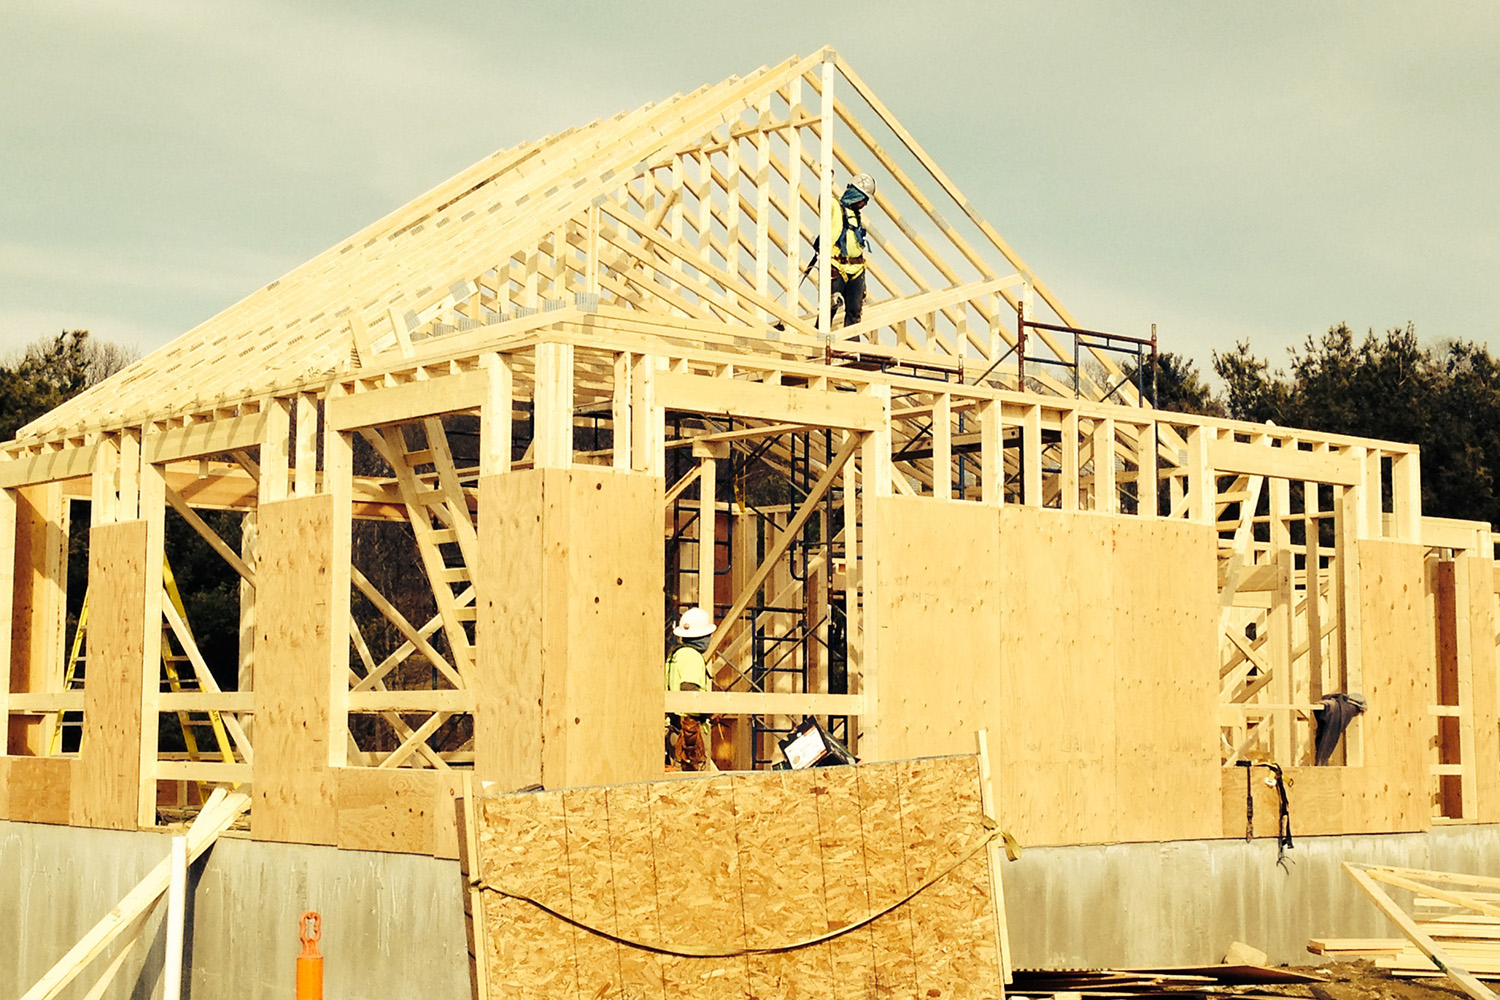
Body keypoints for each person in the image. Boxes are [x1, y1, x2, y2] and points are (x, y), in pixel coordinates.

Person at [809, 173, 876, 328]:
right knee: (830, 306)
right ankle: (819, 340)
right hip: (837, 266)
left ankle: (851, 350)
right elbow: (824, 201)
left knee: (854, 313)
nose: (865, 203)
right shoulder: (835, 207)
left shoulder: (856, 216)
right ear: (855, 194)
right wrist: (828, 181)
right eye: (863, 199)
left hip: (857, 269)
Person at [664, 607, 714, 770]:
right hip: (687, 733)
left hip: (674, 726)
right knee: (692, 782)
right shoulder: (692, 656)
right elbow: (689, 692)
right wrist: (708, 712)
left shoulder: (676, 654)